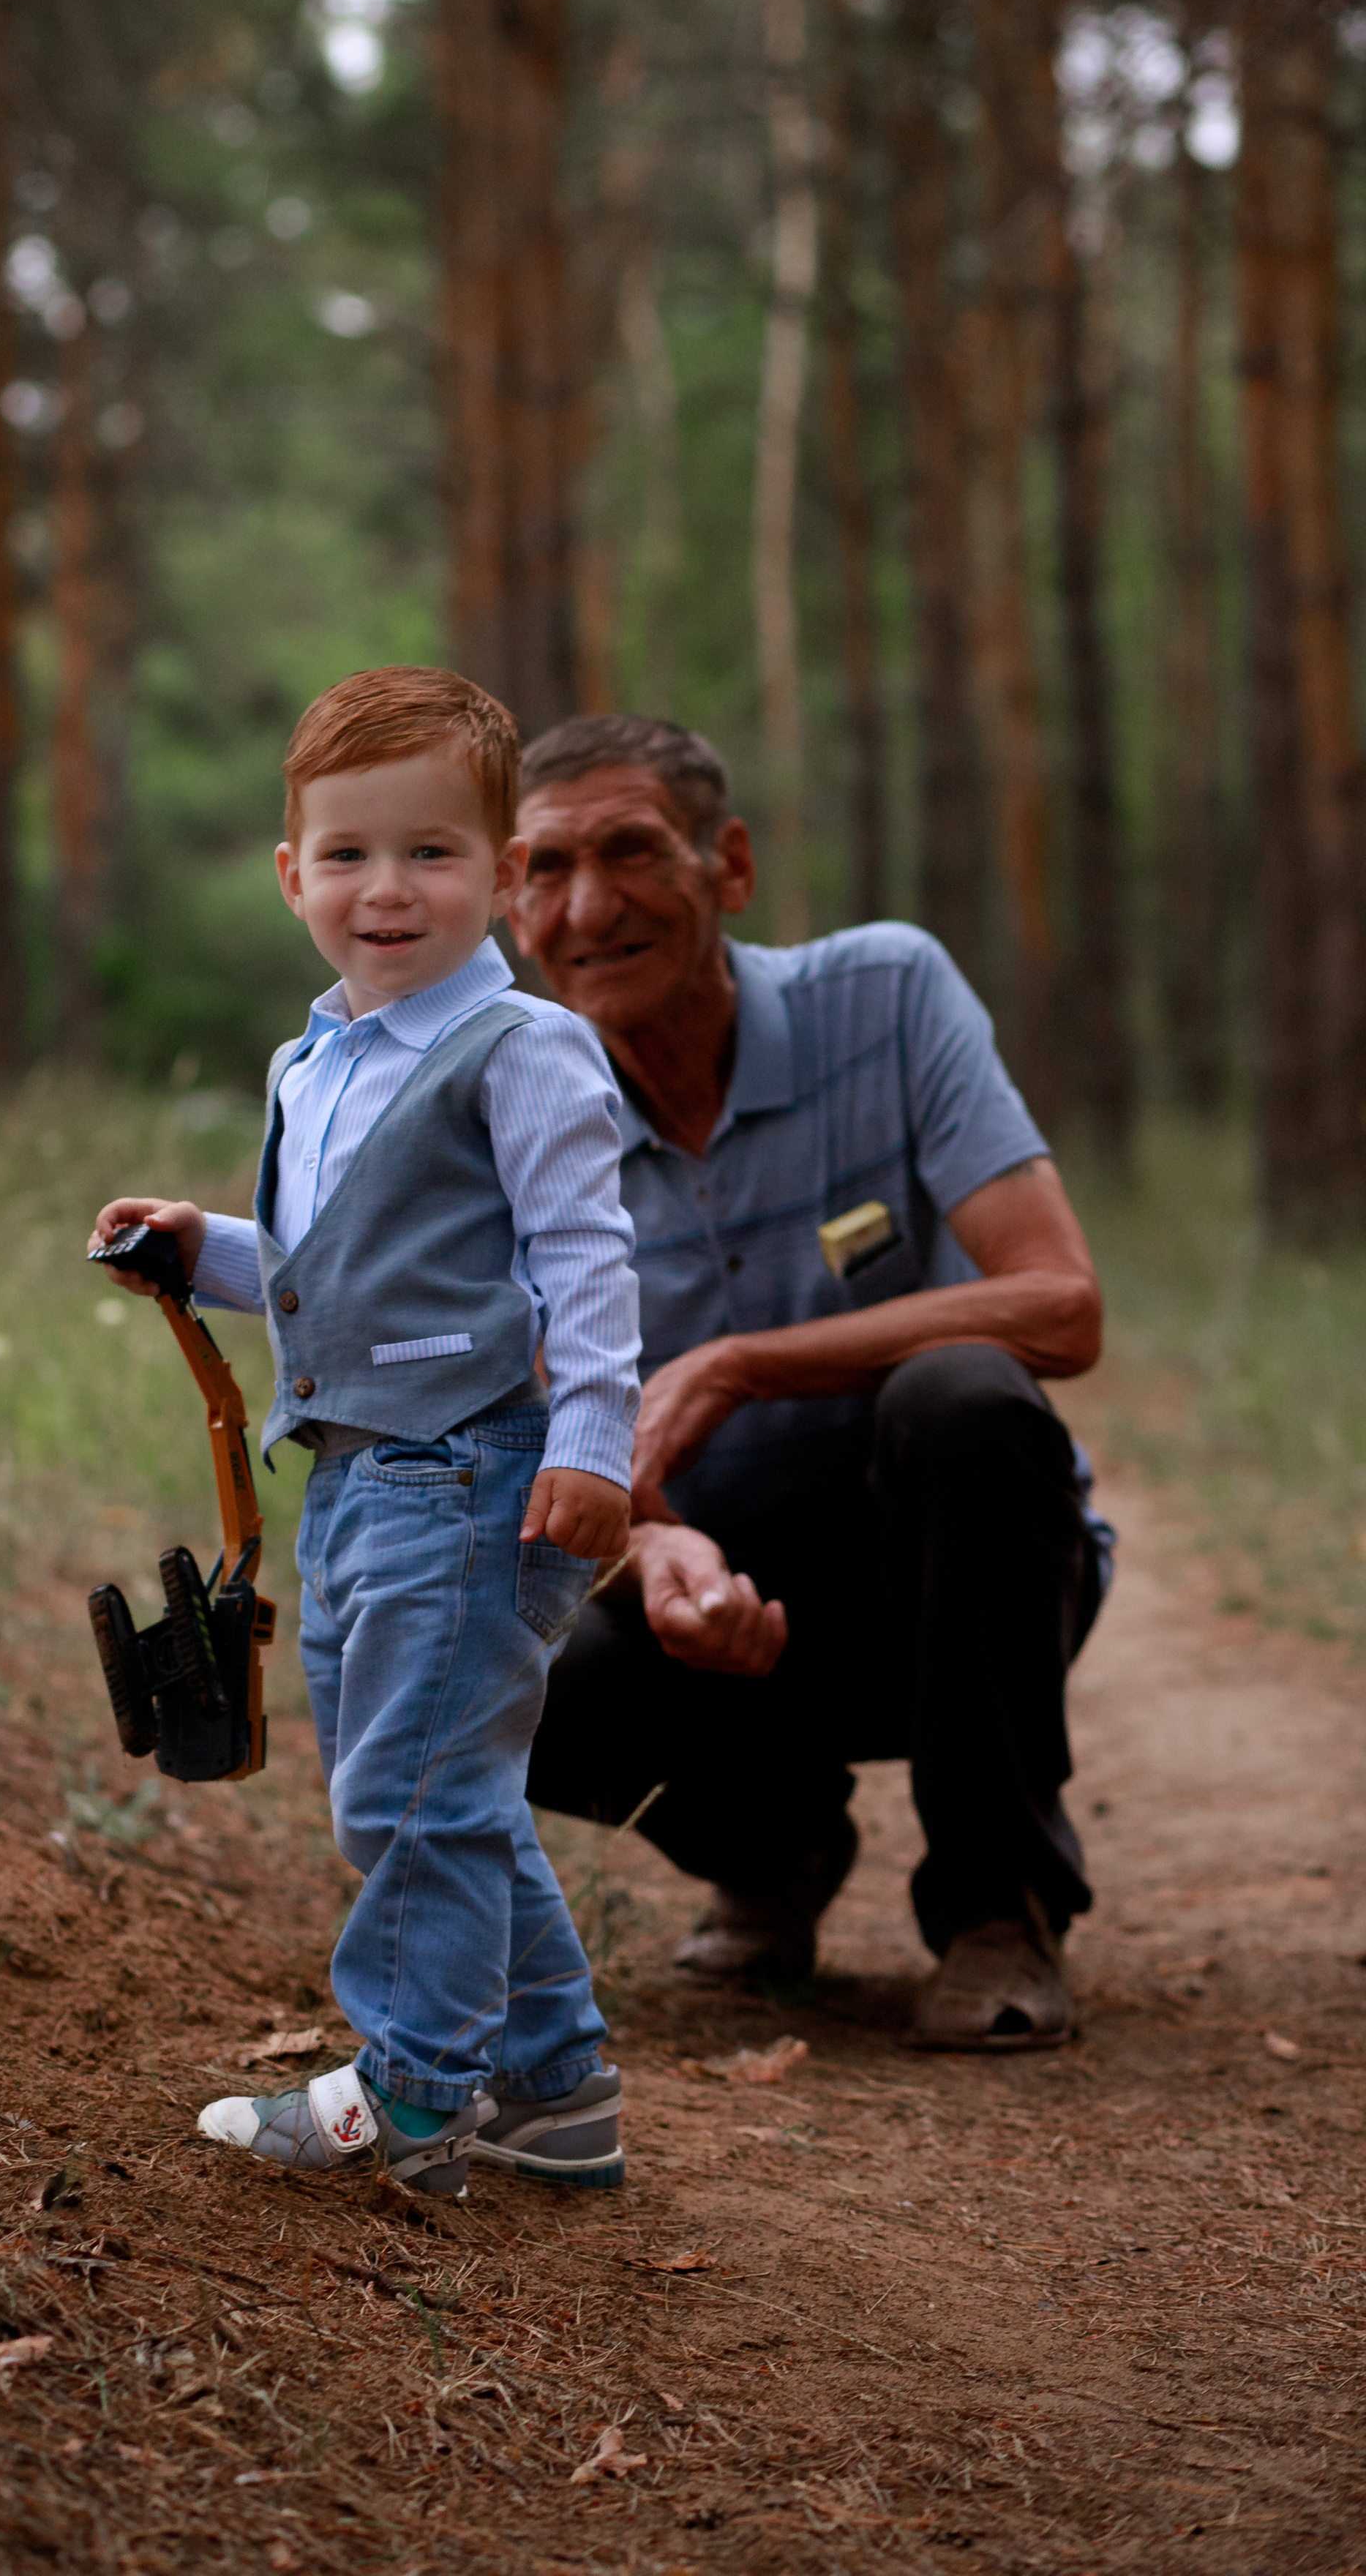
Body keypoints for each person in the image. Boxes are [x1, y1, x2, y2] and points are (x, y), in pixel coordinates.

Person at [90, 669, 641, 2194]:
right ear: (290, 877)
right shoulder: (313, 1061)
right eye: (345, 856)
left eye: (430, 855)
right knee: (432, 1784)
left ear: (503, 880)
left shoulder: (521, 1051)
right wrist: (200, 1246)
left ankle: (411, 2091)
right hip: (352, 1479)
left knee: (409, 1794)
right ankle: (551, 2089)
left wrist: (598, 1446)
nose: (383, 891)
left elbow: (583, 1266)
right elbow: (339, 1280)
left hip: (474, 1471)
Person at [505, 715, 1110, 2051]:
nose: (588, 906)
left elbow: (1060, 1306)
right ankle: (773, 1856)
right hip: (733, 1612)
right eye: (545, 869)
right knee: (486, 1640)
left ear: (730, 867)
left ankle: (998, 1909)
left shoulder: (886, 996)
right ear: (511, 906)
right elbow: (562, 1449)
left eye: (631, 853)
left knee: (964, 1395)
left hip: (963, 1576)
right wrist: (662, 1549)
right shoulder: (515, 1119)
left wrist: (738, 1362)